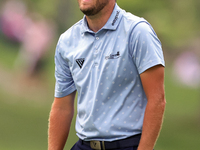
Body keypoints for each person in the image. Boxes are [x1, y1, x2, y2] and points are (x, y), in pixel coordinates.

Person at [48, 0, 166, 150]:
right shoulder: (67, 41)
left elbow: (157, 100)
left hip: (127, 145)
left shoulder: (137, 32)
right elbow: (61, 107)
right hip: (84, 145)